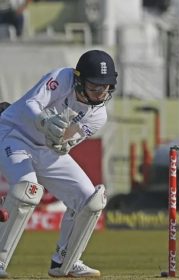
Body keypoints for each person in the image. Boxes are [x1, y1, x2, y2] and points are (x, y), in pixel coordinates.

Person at [0, 49, 118, 278]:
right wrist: (43, 121)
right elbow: (32, 103)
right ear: (79, 79)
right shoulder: (62, 77)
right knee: (27, 190)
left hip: (45, 149)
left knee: (89, 200)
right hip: (13, 134)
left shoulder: (99, 115)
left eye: (105, 88)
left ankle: (66, 261)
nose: (99, 93)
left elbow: (65, 141)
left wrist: (62, 143)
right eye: (94, 87)